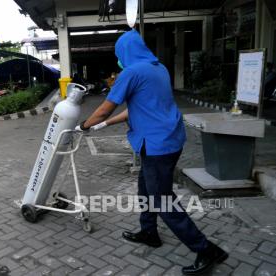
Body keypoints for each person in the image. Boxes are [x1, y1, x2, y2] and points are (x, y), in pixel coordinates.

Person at [76, 29, 227, 275]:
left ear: (124, 52)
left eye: (118, 54)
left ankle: (206, 250)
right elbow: (136, 110)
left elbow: (104, 109)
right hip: (170, 140)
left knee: (163, 200)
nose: (118, 59)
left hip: (157, 146)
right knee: (145, 188)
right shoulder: (159, 68)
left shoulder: (131, 73)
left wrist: (83, 126)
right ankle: (149, 232)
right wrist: (103, 125)